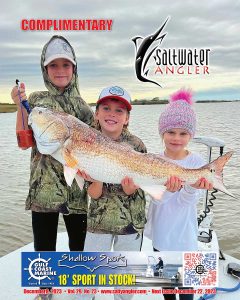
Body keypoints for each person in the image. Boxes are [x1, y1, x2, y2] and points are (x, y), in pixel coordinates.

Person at [11, 35, 94, 299]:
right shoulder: (35, 99)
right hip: (43, 189)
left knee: (78, 244)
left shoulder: (83, 107)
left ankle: (79, 286)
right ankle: (45, 290)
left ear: (74, 68)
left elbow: (96, 145)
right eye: (53, 66)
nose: (60, 71)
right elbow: (25, 141)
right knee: (44, 246)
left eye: (66, 65)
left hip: (77, 190)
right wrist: (18, 106)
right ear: (45, 69)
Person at [78, 86, 146, 300]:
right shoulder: (86, 143)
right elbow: (93, 193)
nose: (112, 114)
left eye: (119, 111)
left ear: (127, 118)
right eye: (106, 108)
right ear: (96, 114)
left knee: (125, 278)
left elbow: (139, 185)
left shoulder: (136, 145)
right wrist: (96, 177)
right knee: (89, 275)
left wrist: (131, 187)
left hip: (130, 223)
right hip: (99, 221)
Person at [144, 89, 213, 300]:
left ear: (191, 135)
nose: (176, 138)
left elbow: (187, 202)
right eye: (171, 132)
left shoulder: (197, 163)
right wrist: (166, 191)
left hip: (185, 236)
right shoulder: (152, 160)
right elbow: (155, 197)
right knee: (166, 285)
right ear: (161, 132)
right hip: (160, 234)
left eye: (183, 133)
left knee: (186, 289)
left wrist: (191, 188)